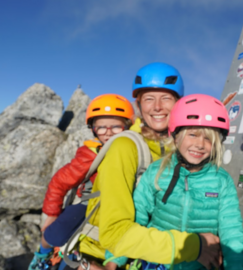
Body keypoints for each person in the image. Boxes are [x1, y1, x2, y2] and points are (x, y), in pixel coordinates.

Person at [77, 63, 223, 270]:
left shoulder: (182, 147)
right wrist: (196, 247)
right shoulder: (125, 147)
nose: (157, 107)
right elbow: (114, 233)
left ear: (179, 104)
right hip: (103, 257)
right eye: (148, 99)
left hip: (148, 256)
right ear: (138, 106)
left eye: (166, 98)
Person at [108, 94, 243, 270]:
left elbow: (231, 232)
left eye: (208, 139)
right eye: (192, 134)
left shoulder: (221, 181)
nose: (200, 144)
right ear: (175, 135)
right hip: (154, 262)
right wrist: (114, 259)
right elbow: (138, 217)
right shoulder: (158, 171)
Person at [28, 94, 134, 270]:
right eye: (101, 127)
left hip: (119, 205)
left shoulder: (132, 151)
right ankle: (43, 256)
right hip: (89, 204)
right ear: (93, 129)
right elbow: (59, 182)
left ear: (127, 126)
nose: (108, 132)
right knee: (54, 235)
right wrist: (52, 214)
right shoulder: (91, 154)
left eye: (116, 126)